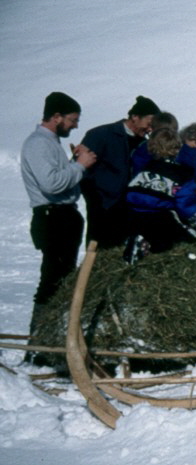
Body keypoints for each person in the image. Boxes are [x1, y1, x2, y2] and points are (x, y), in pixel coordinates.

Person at [20, 91, 97, 338]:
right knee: (54, 281)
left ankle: (48, 339)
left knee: (60, 278)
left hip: (60, 217)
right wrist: (80, 166)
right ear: (56, 117)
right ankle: (40, 344)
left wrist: (72, 162)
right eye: (72, 119)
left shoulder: (49, 143)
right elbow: (51, 184)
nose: (75, 125)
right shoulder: (38, 143)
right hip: (54, 217)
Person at [122, 127, 196, 264]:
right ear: (178, 149)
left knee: (151, 233)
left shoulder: (146, 168)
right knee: (184, 236)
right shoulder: (182, 173)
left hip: (133, 213)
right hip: (161, 215)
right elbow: (185, 202)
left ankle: (139, 242)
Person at [79, 95, 161, 248]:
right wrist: (96, 201)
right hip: (104, 208)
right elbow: (81, 171)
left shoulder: (146, 144)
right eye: (149, 123)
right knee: (99, 251)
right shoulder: (101, 135)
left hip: (130, 209)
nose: (150, 128)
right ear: (135, 117)